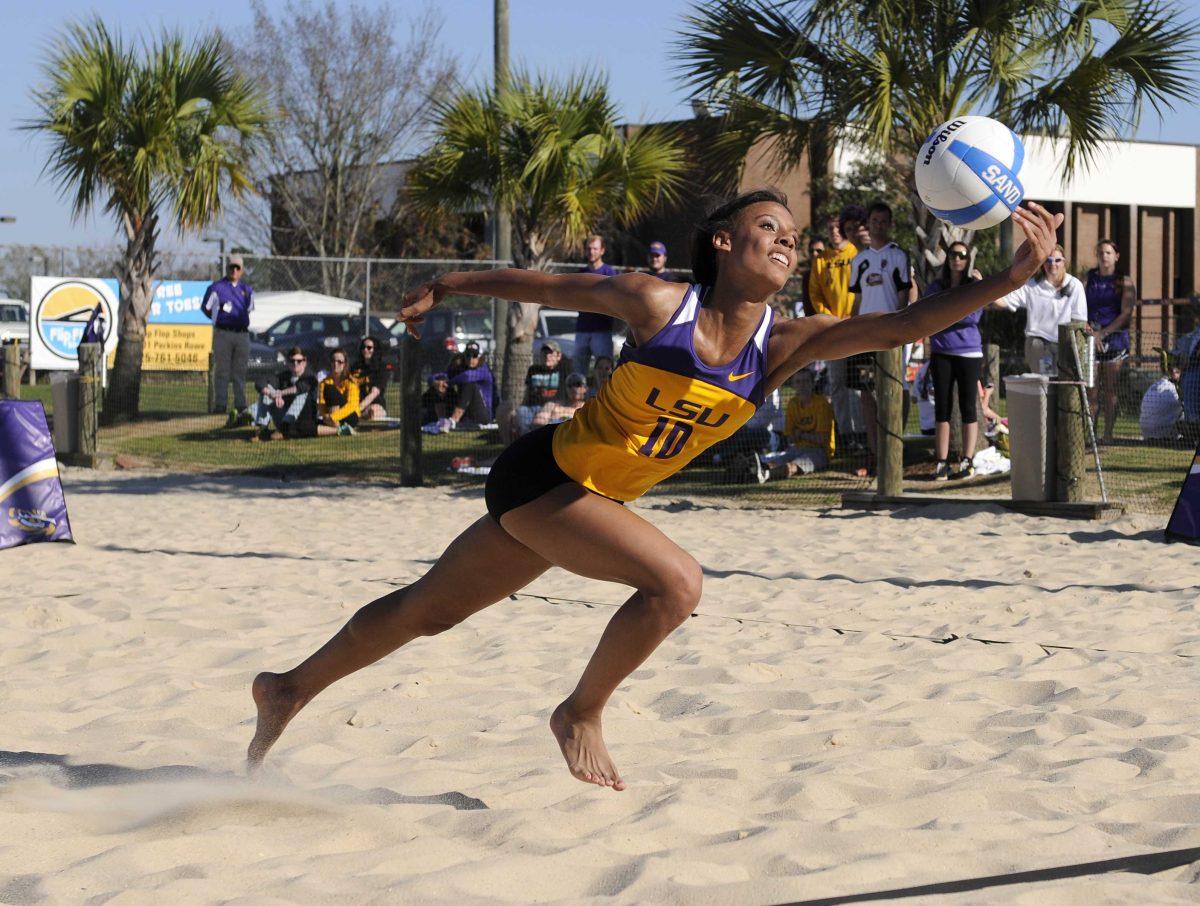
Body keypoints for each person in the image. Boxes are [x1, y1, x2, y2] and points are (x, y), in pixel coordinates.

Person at [246, 189, 1061, 791]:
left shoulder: (783, 344)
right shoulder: (658, 302)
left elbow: (902, 328)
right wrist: (449, 285)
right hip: (549, 476)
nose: (786, 242)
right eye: (768, 228)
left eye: (794, 236)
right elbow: (545, 287)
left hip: (585, 499)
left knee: (427, 612)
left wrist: (1007, 278)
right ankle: (580, 712)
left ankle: (286, 689)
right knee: (677, 583)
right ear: (722, 241)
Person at [848, 202, 912, 475]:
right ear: (868, 224)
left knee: (895, 389)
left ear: (890, 224)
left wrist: (899, 326)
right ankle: (875, 452)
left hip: (891, 333)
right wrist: (850, 329)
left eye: (884, 221)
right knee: (865, 392)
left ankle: (893, 448)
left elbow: (903, 294)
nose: (879, 225)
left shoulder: (898, 256)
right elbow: (857, 298)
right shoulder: (859, 260)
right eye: (874, 221)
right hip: (864, 333)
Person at [923, 241, 982, 480]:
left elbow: (974, 316)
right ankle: (942, 462)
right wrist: (954, 314)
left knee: (968, 407)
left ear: (968, 259)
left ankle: (968, 461)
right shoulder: (938, 286)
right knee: (942, 408)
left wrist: (946, 315)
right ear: (947, 259)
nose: (957, 259)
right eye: (952, 255)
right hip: (942, 352)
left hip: (968, 352)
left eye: (962, 255)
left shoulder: (974, 285)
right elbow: (928, 311)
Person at [808, 209, 862, 442]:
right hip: (833, 330)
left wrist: (855, 316)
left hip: (859, 327)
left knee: (858, 384)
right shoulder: (821, 261)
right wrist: (828, 317)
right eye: (831, 229)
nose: (835, 232)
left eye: (839, 228)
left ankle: (862, 431)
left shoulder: (858, 253)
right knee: (837, 382)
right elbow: (815, 293)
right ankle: (845, 433)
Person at [993, 244, 1086, 374]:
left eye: (1057, 260)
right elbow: (1003, 302)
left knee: (1066, 388)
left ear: (1064, 262)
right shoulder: (1032, 285)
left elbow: (1079, 320)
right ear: (1042, 263)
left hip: (1065, 344)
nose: (1053, 264)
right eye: (1048, 260)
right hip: (1038, 344)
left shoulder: (1074, 285)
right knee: (1045, 385)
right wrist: (984, 290)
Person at [1084, 239, 1137, 443]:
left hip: (1114, 340)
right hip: (1091, 339)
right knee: (1092, 390)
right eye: (1101, 253)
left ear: (1116, 256)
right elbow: (1078, 305)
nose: (1104, 256)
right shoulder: (1089, 278)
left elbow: (1126, 313)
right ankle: (1091, 434)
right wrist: (1090, 330)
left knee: (1110, 389)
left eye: (1108, 252)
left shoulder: (1124, 281)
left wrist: (1103, 333)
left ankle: (1108, 434)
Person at [749, 369, 835, 482]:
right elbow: (790, 437)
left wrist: (800, 434)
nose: (802, 385)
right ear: (793, 385)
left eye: (806, 381)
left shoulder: (821, 404)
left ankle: (765, 475)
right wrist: (806, 435)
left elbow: (821, 439)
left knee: (792, 467)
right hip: (795, 448)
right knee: (776, 461)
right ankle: (752, 472)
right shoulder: (792, 404)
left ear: (812, 384)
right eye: (798, 382)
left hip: (818, 452)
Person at [202, 255, 255, 422]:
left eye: (238, 268)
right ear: (227, 269)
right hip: (223, 334)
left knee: (240, 372)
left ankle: (240, 404)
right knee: (222, 371)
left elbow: (249, 309)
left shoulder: (247, 290)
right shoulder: (216, 288)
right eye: (232, 267)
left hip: (242, 335)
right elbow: (206, 308)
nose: (234, 270)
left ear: (242, 270)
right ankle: (220, 404)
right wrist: (219, 319)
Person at [573, 235, 621, 375]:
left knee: (604, 371)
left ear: (602, 251)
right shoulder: (581, 274)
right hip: (582, 329)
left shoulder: (609, 273)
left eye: (595, 248)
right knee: (578, 371)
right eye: (589, 248)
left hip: (602, 331)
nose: (591, 251)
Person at [252, 346, 319, 440]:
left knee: (302, 394)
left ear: (304, 362)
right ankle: (262, 428)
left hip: (303, 421)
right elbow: (260, 382)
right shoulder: (284, 376)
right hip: (282, 415)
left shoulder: (310, 377)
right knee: (268, 389)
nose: (295, 363)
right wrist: (272, 394)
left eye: (299, 361)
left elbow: (300, 388)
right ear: (288, 362)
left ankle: (286, 428)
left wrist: (280, 393)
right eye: (292, 361)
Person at [446, 341, 496, 428]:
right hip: (468, 413)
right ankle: (439, 418)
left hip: (484, 415)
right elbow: (441, 376)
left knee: (469, 385)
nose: (471, 359)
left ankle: (454, 420)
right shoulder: (462, 368)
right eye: (468, 356)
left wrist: (449, 382)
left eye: (474, 356)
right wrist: (438, 381)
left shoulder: (483, 369)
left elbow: (467, 376)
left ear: (479, 358)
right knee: (443, 388)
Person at [317, 348, 360, 436]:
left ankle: (334, 427)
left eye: (339, 362)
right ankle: (339, 429)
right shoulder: (324, 382)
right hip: (330, 416)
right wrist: (325, 416)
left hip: (350, 416)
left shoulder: (351, 382)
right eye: (333, 361)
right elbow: (322, 404)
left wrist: (333, 417)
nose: (336, 364)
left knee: (330, 390)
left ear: (344, 364)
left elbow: (352, 405)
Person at [352, 336, 390, 420]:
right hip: (354, 403)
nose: (365, 350)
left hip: (374, 404)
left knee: (373, 412)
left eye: (369, 348)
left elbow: (374, 393)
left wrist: (358, 409)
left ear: (375, 350)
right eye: (363, 347)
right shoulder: (355, 367)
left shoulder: (381, 368)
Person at [798, 237, 825, 318]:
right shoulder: (807, 276)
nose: (814, 254)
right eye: (811, 251)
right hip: (816, 322)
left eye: (819, 251)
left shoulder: (833, 272)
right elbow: (807, 306)